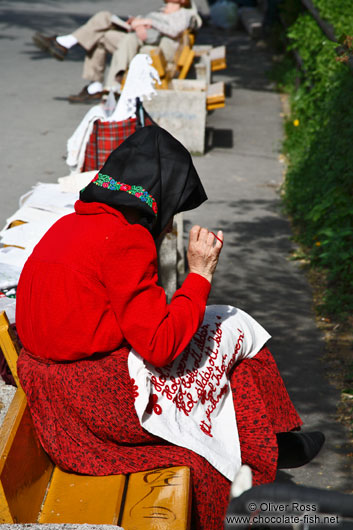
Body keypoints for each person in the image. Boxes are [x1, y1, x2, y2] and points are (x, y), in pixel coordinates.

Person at [16, 126, 324, 530]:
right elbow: (160, 346)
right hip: (93, 404)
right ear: (157, 200)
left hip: (53, 394)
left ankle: (269, 443)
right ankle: (266, 452)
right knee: (228, 338)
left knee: (218, 331)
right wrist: (199, 275)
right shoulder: (126, 238)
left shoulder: (67, 227)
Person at [32, 0, 201, 103]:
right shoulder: (160, 10)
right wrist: (137, 22)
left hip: (150, 48)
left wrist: (148, 22)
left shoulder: (185, 14)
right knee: (103, 21)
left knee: (102, 36)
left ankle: (67, 44)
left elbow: (174, 30)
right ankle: (94, 85)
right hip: (137, 37)